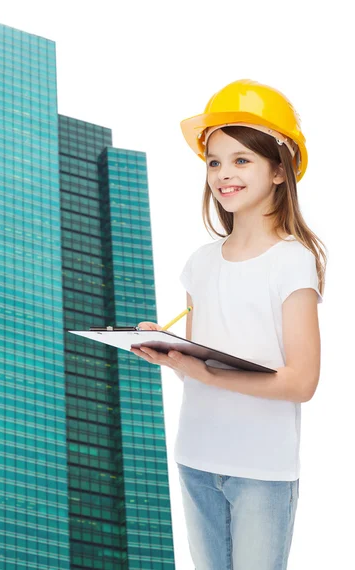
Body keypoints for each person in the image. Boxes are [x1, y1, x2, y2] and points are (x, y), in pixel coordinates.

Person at [131, 79, 327, 570]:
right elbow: (198, 363)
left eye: (241, 160)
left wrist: (207, 374)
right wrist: (169, 350)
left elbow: (301, 382)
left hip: (261, 468)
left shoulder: (293, 262)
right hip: (196, 456)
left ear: (279, 171)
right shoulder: (200, 262)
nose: (223, 174)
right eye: (214, 162)